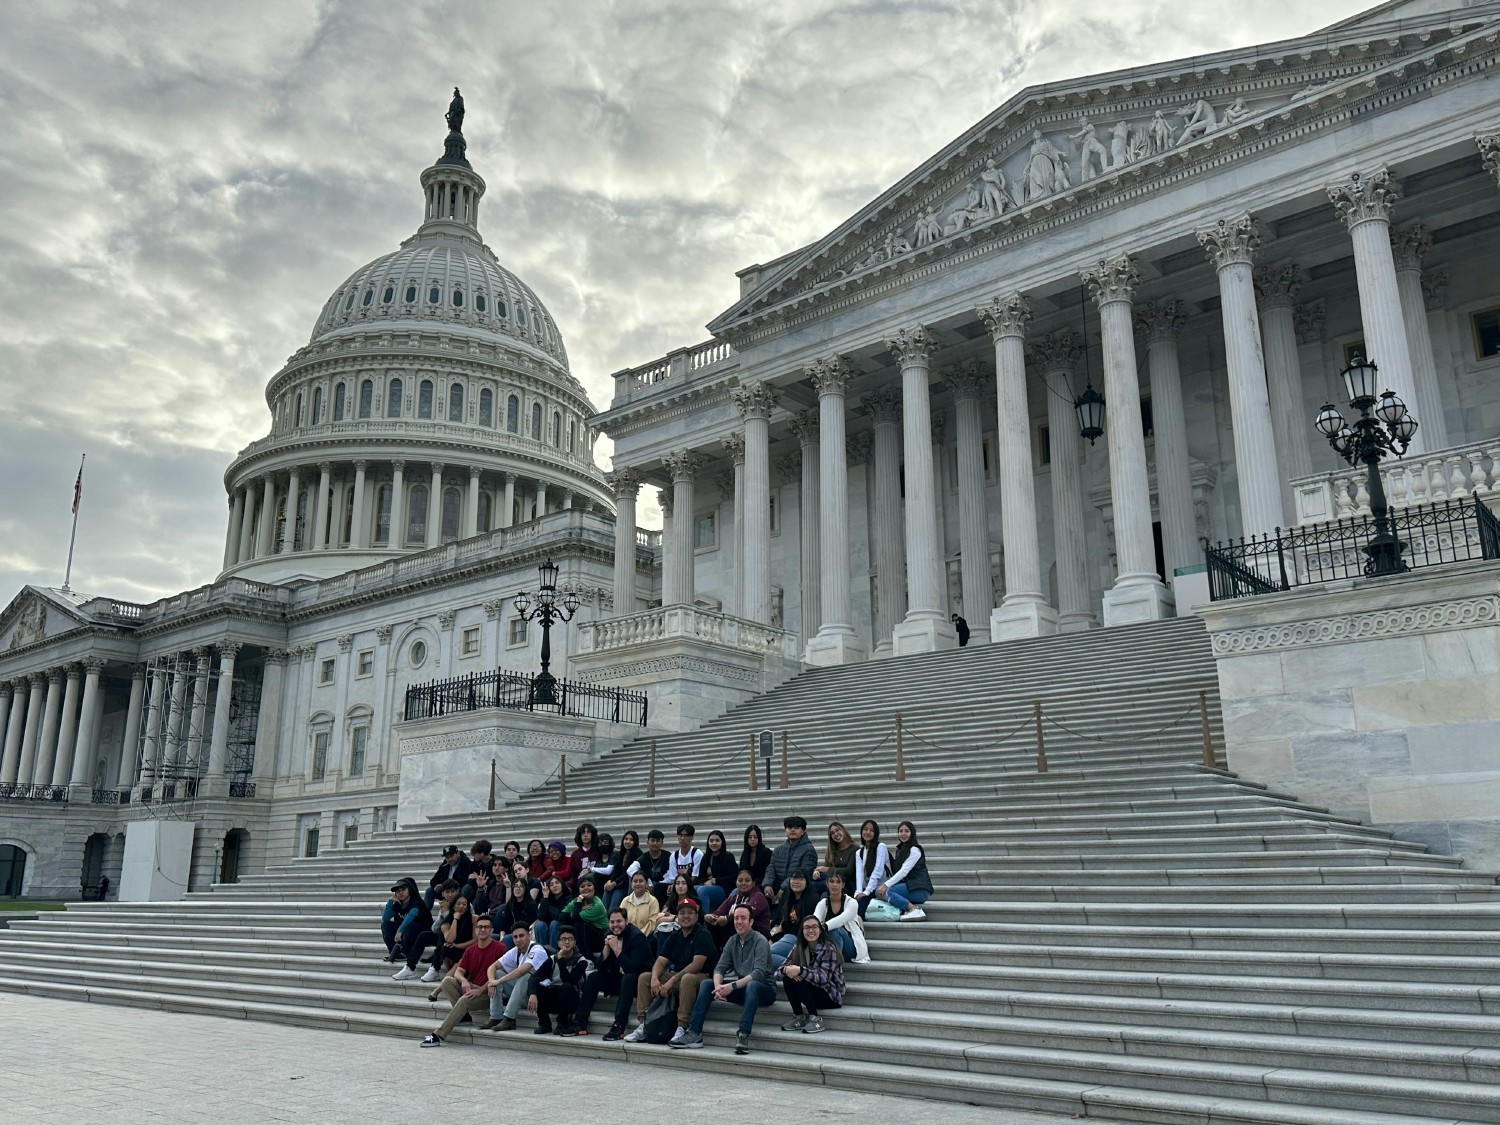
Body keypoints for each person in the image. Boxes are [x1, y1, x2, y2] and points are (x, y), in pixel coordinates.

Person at [673, 904, 775, 1054]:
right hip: (743, 988)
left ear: (751, 922)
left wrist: (731, 987)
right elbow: (720, 968)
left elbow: (758, 973)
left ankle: (743, 1034)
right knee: (707, 984)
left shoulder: (760, 941)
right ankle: (694, 1033)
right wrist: (718, 987)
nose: (739, 922)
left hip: (763, 989)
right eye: (736, 918)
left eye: (743, 918)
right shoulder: (732, 941)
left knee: (753, 985)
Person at [625, 897, 714, 1043]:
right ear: (677, 917)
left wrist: (671, 981)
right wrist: (654, 978)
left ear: (697, 915)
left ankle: (682, 1027)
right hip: (678, 976)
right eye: (682, 913)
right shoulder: (675, 935)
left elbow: (696, 965)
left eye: (690, 913)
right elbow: (660, 961)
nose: (685, 916)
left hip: (701, 977)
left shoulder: (702, 934)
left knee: (687, 978)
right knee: (645, 978)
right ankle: (644, 1024)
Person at [419, 915, 506, 1047]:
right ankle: (464, 1017)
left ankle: (438, 1035)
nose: (482, 929)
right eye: (479, 927)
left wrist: (480, 990)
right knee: (447, 981)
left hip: (490, 993)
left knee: (464, 1000)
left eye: (486, 927)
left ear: (491, 930)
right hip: (473, 987)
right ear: (475, 930)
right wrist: (464, 980)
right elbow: (459, 971)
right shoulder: (471, 950)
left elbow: (499, 975)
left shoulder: (500, 948)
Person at [777, 916, 845, 1033]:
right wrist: (786, 970)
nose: (811, 931)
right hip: (811, 992)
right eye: (807, 928)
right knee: (789, 978)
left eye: (814, 927)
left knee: (801, 977)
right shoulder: (798, 947)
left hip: (830, 996)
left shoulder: (828, 948)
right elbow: (777, 974)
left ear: (820, 930)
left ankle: (815, 1018)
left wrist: (801, 971)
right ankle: (799, 1016)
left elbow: (824, 979)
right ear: (802, 931)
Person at [480, 923, 550, 1032]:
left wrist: (497, 982)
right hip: (522, 995)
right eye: (515, 937)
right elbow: (492, 967)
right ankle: (496, 1017)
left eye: (521, 936)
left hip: (538, 996)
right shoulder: (515, 951)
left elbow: (522, 970)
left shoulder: (537, 950)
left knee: (526, 976)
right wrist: (491, 981)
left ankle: (509, 1018)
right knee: (497, 973)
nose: (518, 940)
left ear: (529, 935)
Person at [599, 907, 655, 1041]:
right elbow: (600, 968)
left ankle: (619, 1025)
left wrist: (616, 949)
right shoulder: (610, 934)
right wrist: (606, 950)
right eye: (612, 922)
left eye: (619, 921)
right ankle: (580, 1022)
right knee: (595, 977)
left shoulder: (637, 937)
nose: (615, 925)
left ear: (627, 921)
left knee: (628, 978)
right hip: (621, 980)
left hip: (640, 982)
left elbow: (632, 968)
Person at [530, 926, 597, 1036]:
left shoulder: (581, 960)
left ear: (575, 942)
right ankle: (544, 1023)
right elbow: (535, 977)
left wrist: (560, 960)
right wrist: (533, 994)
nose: (567, 942)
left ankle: (563, 1022)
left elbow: (569, 980)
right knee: (537, 987)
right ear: (558, 943)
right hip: (555, 997)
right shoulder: (552, 959)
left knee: (566, 987)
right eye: (563, 939)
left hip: (572, 998)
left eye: (570, 939)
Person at [877, 819, 933, 921]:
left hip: (919, 889)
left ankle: (914, 909)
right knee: (879, 892)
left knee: (888, 891)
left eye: (907, 831)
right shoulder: (901, 850)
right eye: (901, 831)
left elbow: (904, 871)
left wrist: (885, 885)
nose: (903, 834)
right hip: (910, 887)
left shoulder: (915, 850)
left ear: (912, 833)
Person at [814, 872, 869, 963]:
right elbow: (816, 920)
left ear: (843, 885)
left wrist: (824, 927)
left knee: (836, 930)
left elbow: (842, 919)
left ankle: (831, 967)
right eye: (832, 881)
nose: (835, 885)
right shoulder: (823, 903)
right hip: (829, 945)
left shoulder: (852, 902)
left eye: (838, 882)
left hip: (851, 948)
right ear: (827, 884)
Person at [769, 870, 821, 966]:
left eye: (800, 879)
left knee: (767, 956)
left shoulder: (812, 899)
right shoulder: (787, 896)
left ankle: (797, 969)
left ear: (807, 882)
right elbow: (781, 920)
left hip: (798, 938)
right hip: (785, 935)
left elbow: (806, 927)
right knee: (761, 954)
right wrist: (773, 938)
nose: (796, 882)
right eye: (793, 878)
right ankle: (793, 967)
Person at [706, 870, 771, 944]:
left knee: (728, 927)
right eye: (740, 880)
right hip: (739, 930)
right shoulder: (734, 897)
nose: (743, 883)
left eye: (747, 881)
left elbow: (747, 914)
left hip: (758, 933)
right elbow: (720, 911)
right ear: (736, 883)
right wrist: (712, 917)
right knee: (713, 925)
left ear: (753, 883)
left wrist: (726, 919)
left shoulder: (758, 897)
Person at [762, 816, 815, 903]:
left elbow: (805, 873)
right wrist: (767, 885)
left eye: (796, 828)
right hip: (776, 888)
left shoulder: (809, 850)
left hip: (798, 890)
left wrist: (784, 887)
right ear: (785, 831)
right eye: (789, 827)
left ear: (803, 831)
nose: (792, 830)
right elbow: (771, 869)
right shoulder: (778, 850)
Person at [559, 875, 608, 960]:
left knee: (579, 924)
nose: (586, 888)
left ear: (594, 888)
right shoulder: (577, 900)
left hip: (600, 937)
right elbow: (562, 916)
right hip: (585, 936)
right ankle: (563, 954)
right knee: (560, 924)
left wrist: (577, 906)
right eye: (582, 886)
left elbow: (575, 917)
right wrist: (580, 906)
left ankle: (587, 959)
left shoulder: (597, 905)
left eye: (589, 885)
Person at [381, 878, 430, 963]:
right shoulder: (397, 903)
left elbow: (411, 916)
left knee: (410, 925)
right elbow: (385, 918)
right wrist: (390, 902)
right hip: (404, 933)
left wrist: (400, 930)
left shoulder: (416, 901)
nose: (400, 893)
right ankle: (394, 952)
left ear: (409, 890)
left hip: (419, 933)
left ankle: (405, 953)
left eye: (403, 889)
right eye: (398, 891)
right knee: (385, 925)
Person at [852, 819, 890, 919]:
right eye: (865, 829)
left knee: (859, 910)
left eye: (872, 830)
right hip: (868, 888)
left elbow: (877, 871)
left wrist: (866, 892)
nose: (868, 832)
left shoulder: (881, 847)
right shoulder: (859, 852)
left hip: (881, 888)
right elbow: (859, 874)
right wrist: (858, 891)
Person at [694, 829, 737, 915]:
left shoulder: (728, 857)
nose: (714, 843)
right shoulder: (706, 857)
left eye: (717, 840)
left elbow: (733, 877)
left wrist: (714, 881)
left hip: (724, 889)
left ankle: (704, 918)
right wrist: (705, 882)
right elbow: (701, 877)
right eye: (711, 841)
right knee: (694, 888)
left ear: (722, 842)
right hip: (708, 886)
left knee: (703, 890)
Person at [600, 830, 640, 912]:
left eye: (631, 840)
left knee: (616, 895)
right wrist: (610, 881)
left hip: (626, 884)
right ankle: (602, 919)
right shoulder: (622, 853)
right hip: (617, 883)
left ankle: (611, 917)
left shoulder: (637, 854)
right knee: (607, 890)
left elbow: (627, 874)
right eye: (626, 839)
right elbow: (616, 870)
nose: (628, 842)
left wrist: (614, 883)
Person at [812, 821, 857, 891]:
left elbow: (849, 871)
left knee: (813, 885)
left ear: (843, 831)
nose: (836, 834)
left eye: (837, 830)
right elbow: (826, 872)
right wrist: (817, 872)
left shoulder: (854, 848)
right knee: (822, 892)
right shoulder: (831, 851)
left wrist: (828, 869)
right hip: (832, 883)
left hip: (847, 884)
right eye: (832, 833)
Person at [533, 875, 572, 948]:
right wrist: (545, 898)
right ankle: (542, 951)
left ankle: (553, 952)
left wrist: (549, 907)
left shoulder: (569, 899)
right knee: (539, 924)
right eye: (551, 884)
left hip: (562, 928)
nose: (554, 886)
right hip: (546, 929)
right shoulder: (547, 899)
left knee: (554, 923)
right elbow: (540, 917)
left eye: (557, 883)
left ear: (562, 885)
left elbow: (561, 917)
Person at [633, 829, 672, 898]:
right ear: (647, 842)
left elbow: (672, 874)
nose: (655, 843)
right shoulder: (644, 857)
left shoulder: (668, 856)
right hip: (647, 888)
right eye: (652, 840)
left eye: (658, 841)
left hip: (664, 886)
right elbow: (630, 870)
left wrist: (657, 885)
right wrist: (646, 882)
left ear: (662, 842)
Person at [621, 870, 660, 937]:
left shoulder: (653, 901)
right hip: (627, 937)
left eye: (641, 881)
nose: (638, 884)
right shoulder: (625, 901)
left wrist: (638, 936)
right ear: (631, 883)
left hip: (645, 938)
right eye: (635, 881)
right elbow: (621, 920)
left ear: (646, 883)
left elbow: (652, 923)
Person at [664, 824, 704, 888]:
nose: (682, 838)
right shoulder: (674, 856)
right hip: (678, 886)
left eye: (686, 836)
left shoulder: (697, 853)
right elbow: (673, 878)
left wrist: (682, 886)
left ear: (691, 837)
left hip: (693, 886)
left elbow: (695, 877)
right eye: (680, 835)